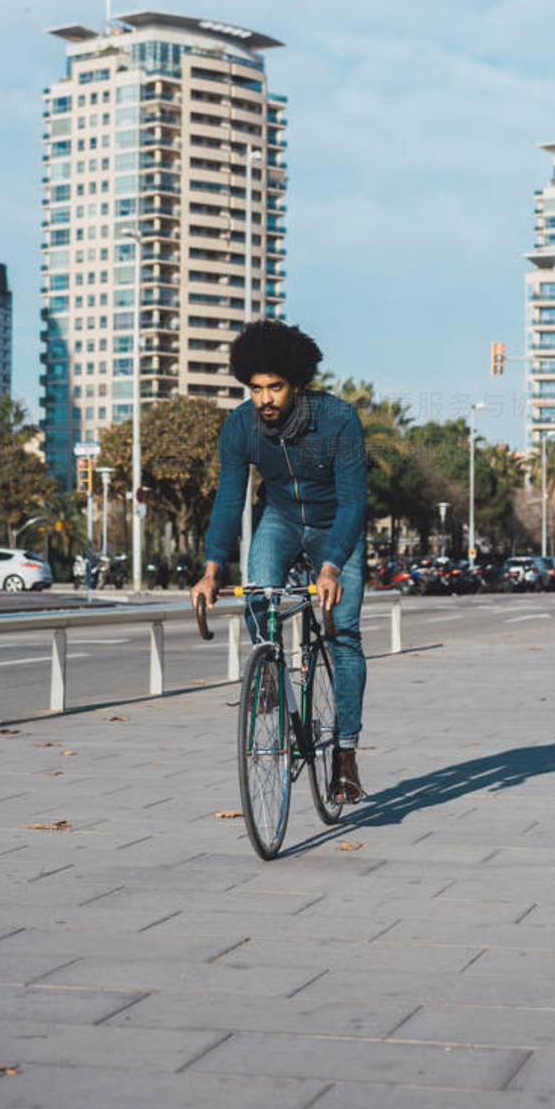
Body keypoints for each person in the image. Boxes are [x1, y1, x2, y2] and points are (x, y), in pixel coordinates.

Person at [191, 320, 369, 803]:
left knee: (344, 634)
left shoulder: (337, 420)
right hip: (282, 518)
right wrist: (211, 568)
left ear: (296, 383)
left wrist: (332, 565)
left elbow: (355, 501)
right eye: (256, 388)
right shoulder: (240, 426)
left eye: (275, 387)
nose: (265, 398)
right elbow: (230, 498)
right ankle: (269, 672)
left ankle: (346, 754)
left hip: (338, 525)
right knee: (258, 592)